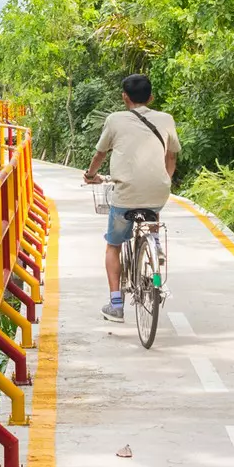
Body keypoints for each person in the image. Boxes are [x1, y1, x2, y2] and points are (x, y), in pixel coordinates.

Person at [81, 74, 180, 321]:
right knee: (152, 208)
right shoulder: (166, 119)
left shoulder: (115, 120)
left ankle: (116, 305)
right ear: (151, 97)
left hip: (125, 195)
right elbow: (172, 157)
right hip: (159, 190)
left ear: (125, 96)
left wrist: (91, 175)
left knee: (113, 245)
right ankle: (154, 242)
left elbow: (100, 154)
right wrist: (166, 179)